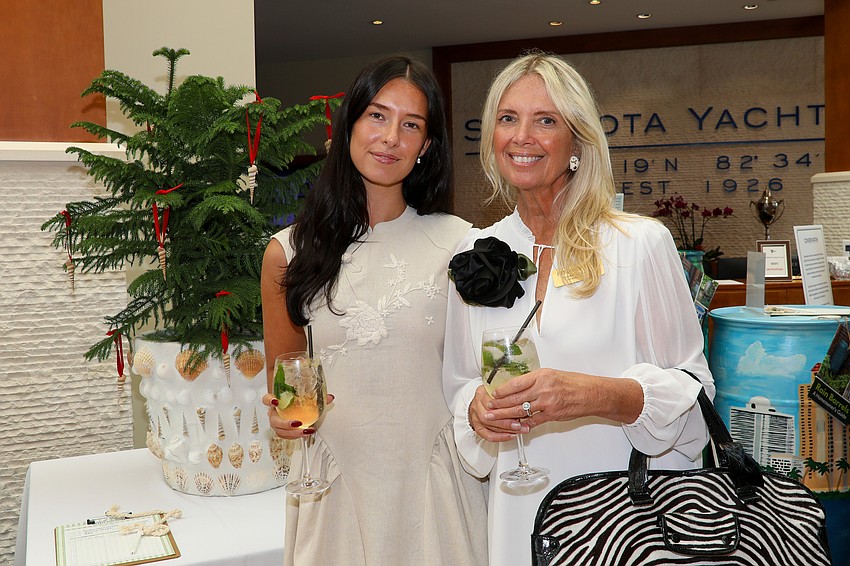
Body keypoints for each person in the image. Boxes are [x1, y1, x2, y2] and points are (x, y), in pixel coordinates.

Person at [442, 51, 714, 566]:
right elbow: (459, 383)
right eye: (508, 119)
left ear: (577, 141)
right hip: (518, 515)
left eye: (545, 120)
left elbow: (693, 396)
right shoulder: (475, 254)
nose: (522, 136)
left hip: (624, 522)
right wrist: (474, 411)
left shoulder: (638, 244)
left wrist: (592, 395)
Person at [260, 55, 488, 566]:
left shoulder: (459, 244)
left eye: (411, 125)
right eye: (377, 116)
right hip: (336, 486)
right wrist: (283, 420)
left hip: (432, 488)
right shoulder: (289, 252)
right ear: (349, 126)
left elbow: (479, 374)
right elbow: (286, 381)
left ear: (426, 146)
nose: (391, 138)